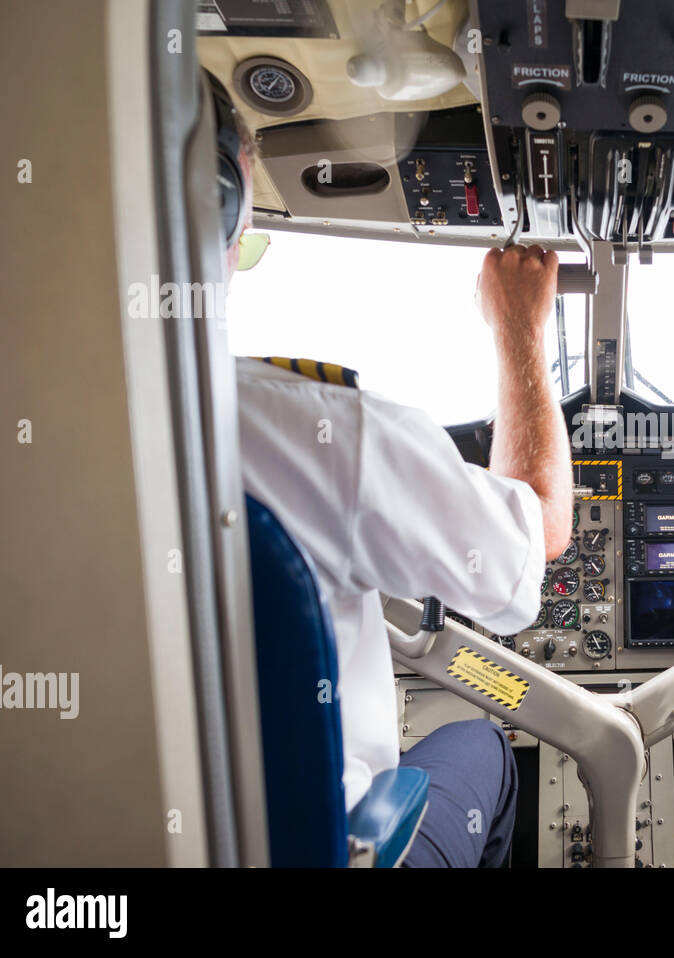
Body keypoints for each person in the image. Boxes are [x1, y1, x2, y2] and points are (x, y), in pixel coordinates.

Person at [208, 72, 572, 866]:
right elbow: (538, 530)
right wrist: (517, 327)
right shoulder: (310, 430)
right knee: (482, 741)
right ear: (214, 207)